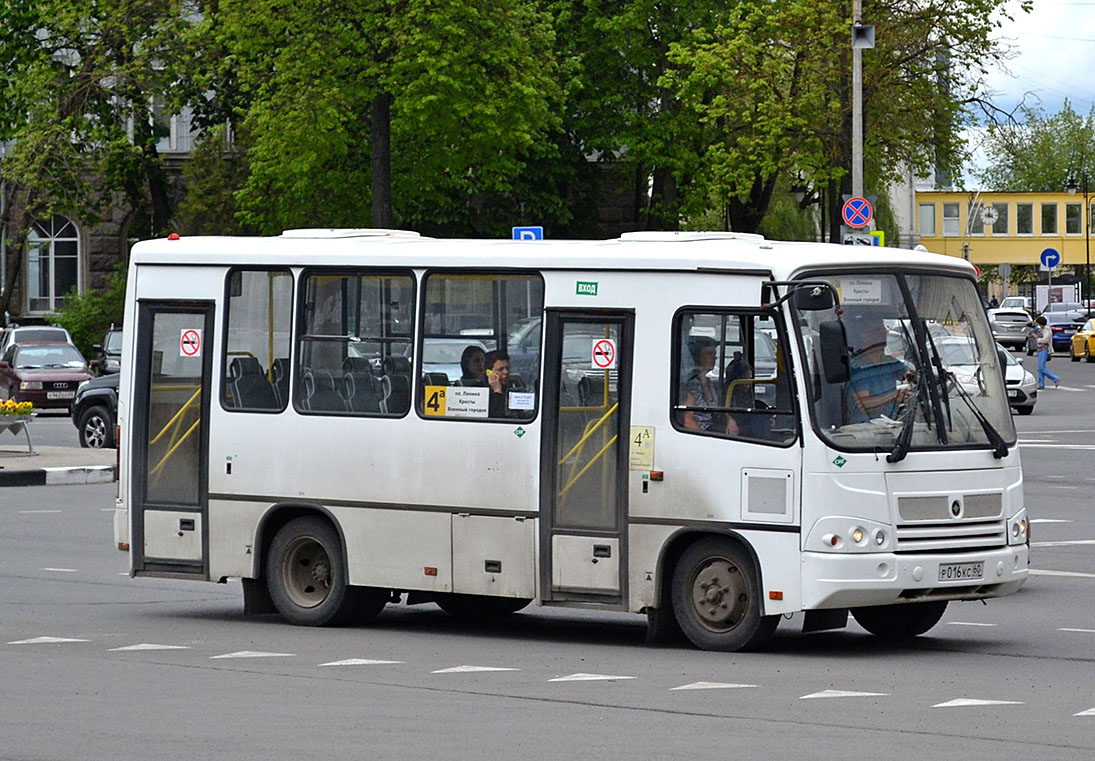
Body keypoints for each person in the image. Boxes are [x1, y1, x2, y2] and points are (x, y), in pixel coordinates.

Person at [844, 318, 911, 423]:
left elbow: (908, 375)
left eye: (883, 330)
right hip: (864, 429)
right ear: (864, 336)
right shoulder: (857, 367)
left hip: (889, 424)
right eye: (877, 331)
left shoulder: (889, 361)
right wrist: (894, 395)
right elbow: (863, 404)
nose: (882, 335)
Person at [681, 338, 723, 432]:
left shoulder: (708, 382)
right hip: (702, 431)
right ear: (698, 357)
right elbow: (687, 419)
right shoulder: (693, 384)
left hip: (714, 427)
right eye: (709, 354)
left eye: (714, 354)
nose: (714, 358)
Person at [1034, 315, 1061, 389]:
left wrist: (1037, 339)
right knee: (1040, 368)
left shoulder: (1046, 329)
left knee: (1041, 368)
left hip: (1044, 350)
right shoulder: (1043, 329)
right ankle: (1041, 384)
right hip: (1041, 349)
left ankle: (1055, 378)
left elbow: (1045, 339)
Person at [485, 349, 514, 417]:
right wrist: (497, 390)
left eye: (507, 368)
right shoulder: (482, 392)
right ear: (489, 372)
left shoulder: (512, 386)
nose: (506, 372)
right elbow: (496, 416)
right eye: (501, 369)